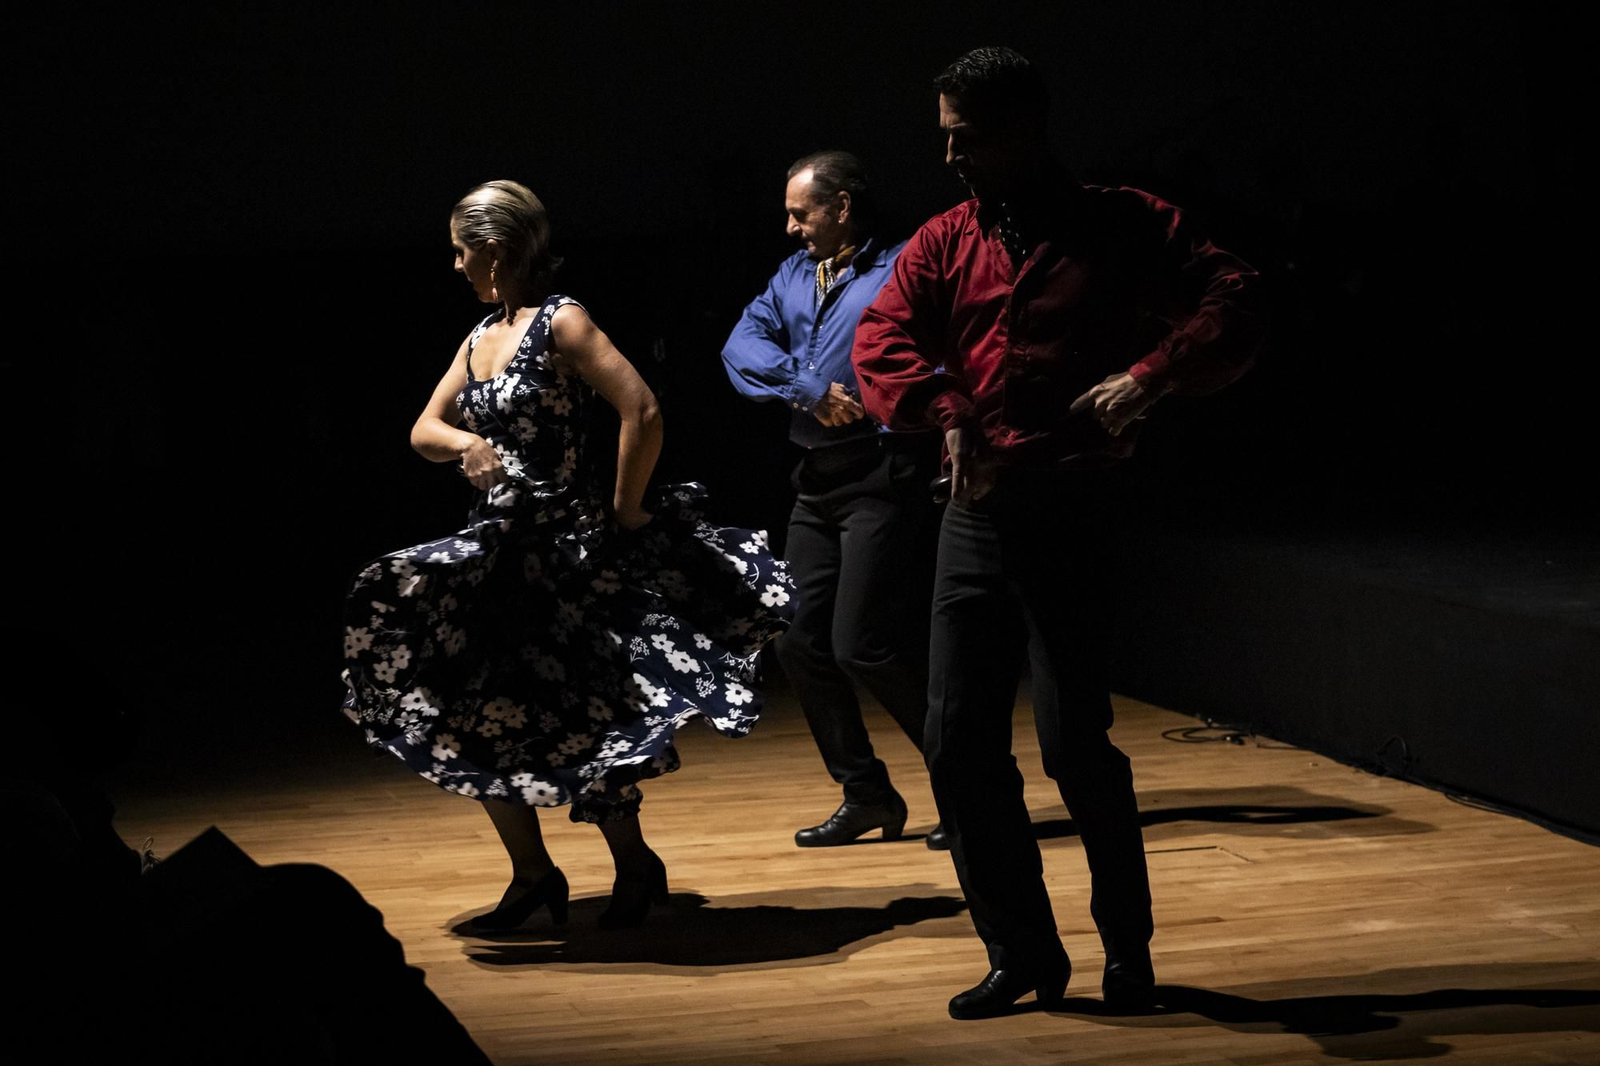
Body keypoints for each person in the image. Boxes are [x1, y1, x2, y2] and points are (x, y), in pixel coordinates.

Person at [851, 48, 1264, 1018]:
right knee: (956, 743)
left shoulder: (1118, 222)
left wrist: (1151, 375)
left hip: (1071, 505)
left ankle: (1128, 951)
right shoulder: (946, 239)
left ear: (1023, 131)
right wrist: (947, 405)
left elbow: (1233, 295)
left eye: (967, 137)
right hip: (977, 516)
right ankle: (1021, 951)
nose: (949, 155)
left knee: (1076, 745)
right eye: (943, 136)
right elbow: (882, 340)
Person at [343, 180, 792, 931]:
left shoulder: (562, 320)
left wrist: (622, 508)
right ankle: (533, 877)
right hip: (498, 557)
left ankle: (634, 865)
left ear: (493, 248)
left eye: (461, 250)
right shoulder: (478, 337)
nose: (454, 266)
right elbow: (424, 428)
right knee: (471, 710)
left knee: (587, 715)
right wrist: (466, 442)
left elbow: (640, 407)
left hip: (568, 557)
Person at [722, 151, 945, 849]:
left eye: (801, 212)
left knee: (862, 645)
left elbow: (942, 349)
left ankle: (969, 786)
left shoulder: (905, 263)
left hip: (881, 476)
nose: (790, 227)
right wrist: (808, 388)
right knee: (795, 642)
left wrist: (893, 401)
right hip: (815, 482)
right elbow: (741, 345)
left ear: (842, 207)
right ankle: (867, 793)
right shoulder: (793, 275)